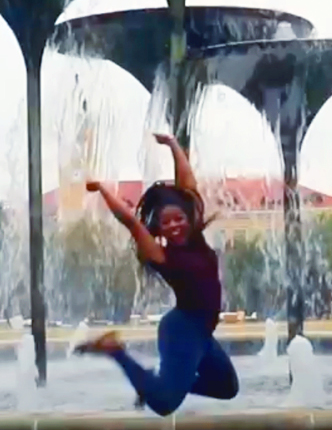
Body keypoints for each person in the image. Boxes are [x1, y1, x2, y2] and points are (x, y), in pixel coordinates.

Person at [77, 133, 239, 416]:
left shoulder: (196, 239)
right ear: (160, 229)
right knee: (164, 404)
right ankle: (115, 350)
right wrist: (103, 190)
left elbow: (187, 183)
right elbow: (129, 220)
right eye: (166, 222)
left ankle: (152, 383)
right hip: (182, 330)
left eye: (179, 218)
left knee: (226, 387)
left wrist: (173, 145)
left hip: (200, 332)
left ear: (188, 217)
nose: (174, 225)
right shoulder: (161, 255)